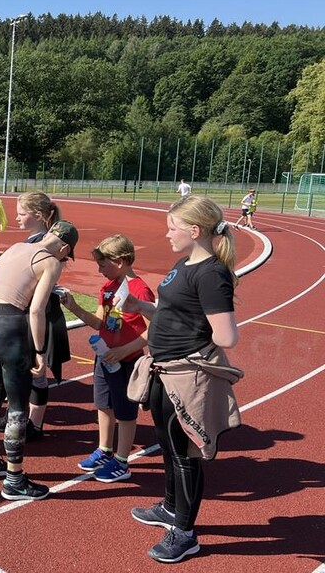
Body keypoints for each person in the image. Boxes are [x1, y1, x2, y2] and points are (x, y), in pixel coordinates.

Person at [121, 196, 239, 563]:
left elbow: (226, 336)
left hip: (184, 376)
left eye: (173, 228)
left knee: (186, 454)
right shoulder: (184, 263)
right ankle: (171, 508)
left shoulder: (211, 274)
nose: (168, 234)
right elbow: (175, 311)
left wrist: (189, 345)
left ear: (195, 230)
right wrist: (143, 307)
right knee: (167, 445)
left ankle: (185, 534)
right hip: (163, 370)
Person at [0, 220, 78, 500]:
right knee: (18, 407)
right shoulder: (51, 262)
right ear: (65, 248)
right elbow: (36, 311)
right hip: (10, 331)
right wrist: (41, 352)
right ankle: (14, 479)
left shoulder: (16, 247)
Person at [0, 192, 70, 440]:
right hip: (21, 316)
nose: (16, 217)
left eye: (21, 213)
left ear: (39, 215)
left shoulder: (49, 245)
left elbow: (36, 290)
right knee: (23, 376)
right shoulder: (34, 243)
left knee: (35, 373)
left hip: (30, 316)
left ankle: (32, 424)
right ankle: (22, 421)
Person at [62, 234, 155, 483]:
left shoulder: (140, 290)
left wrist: (125, 351)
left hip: (127, 361)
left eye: (103, 265)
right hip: (105, 358)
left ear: (121, 261)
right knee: (103, 404)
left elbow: (153, 329)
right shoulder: (107, 287)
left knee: (125, 412)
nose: (99, 270)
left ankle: (122, 461)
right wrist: (73, 307)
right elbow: (99, 322)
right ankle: (105, 450)